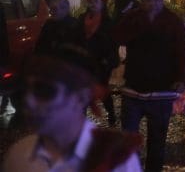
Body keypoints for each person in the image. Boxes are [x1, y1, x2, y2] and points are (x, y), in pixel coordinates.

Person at [2, 45, 142, 171]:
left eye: (45, 91)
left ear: (80, 98)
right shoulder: (18, 155)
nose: (28, 100)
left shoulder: (118, 160)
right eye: (25, 89)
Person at [113, 0, 185, 171]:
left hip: (162, 91)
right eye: (148, 0)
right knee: (128, 142)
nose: (153, 4)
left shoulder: (173, 22)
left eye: (157, 0)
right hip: (133, 89)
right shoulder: (133, 18)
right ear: (142, 1)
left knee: (157, 143)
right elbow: (118, 36)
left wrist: (181, 79)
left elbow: (183, 51)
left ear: (162, 0)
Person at [79, 0, 119, 127]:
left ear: (102, 4)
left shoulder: (108, 22)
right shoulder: (82, 18)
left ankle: (111, 115)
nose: (93, 4)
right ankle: (80, 119)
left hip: (101, 63)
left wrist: (108, 59)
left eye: (96, 1)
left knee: (101, 89)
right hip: (83, 61)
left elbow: (113, 43)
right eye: (91, 1)